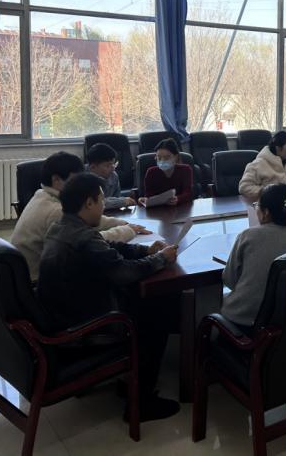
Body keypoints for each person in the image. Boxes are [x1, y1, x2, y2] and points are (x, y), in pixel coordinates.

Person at [37, 173, 181, 422]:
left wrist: (145, 249)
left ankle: (131, 380)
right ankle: (140, 401)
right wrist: (160, 259)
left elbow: (108, 250)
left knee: (148, 302)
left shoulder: (60, 227)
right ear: (89, 203)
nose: (104, 206)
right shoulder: (83, 237)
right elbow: (123, 273)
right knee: (158, 311)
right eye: (101, 200)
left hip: (64, 313)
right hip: (83, 327)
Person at [11, 151, 147, 281]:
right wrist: (127, 231)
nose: (81, 185)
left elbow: (88, 225)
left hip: (35, 274)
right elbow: (92, 242)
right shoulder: (55, 211)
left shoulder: (41, 194)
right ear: (56, 180)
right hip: (37, 281)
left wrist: (121, 223)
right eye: (75, 180)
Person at [222, 184, 286, 332]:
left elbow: (229, 281)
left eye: (257, 205)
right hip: (285, 323)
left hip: (244, 321)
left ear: (267, 212)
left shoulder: (247, 236)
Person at [238, 131, 286, 198]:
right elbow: (244, 187)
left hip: (284, 203)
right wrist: (266, 191)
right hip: (265, 204)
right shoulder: (258, 164)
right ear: (278, 148)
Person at [139, 138, 193, 206]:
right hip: (158, 209)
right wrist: (144, 200)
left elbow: (188, 193)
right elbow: (149, 195)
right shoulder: (151, 172)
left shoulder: (185, 170)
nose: (162, 161)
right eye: (159, 157)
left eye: (167, 157)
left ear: (176, 157)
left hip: (180, 208)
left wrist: (178, 199)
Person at [85, 143, 135, 211]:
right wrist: (121, 202)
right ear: (93, 167)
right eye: (108, 165)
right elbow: (94, 204)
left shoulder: (113, 176)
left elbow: (116, 198)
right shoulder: (81, 179)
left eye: (113, 164)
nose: (113, 169)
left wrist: (120, 202)